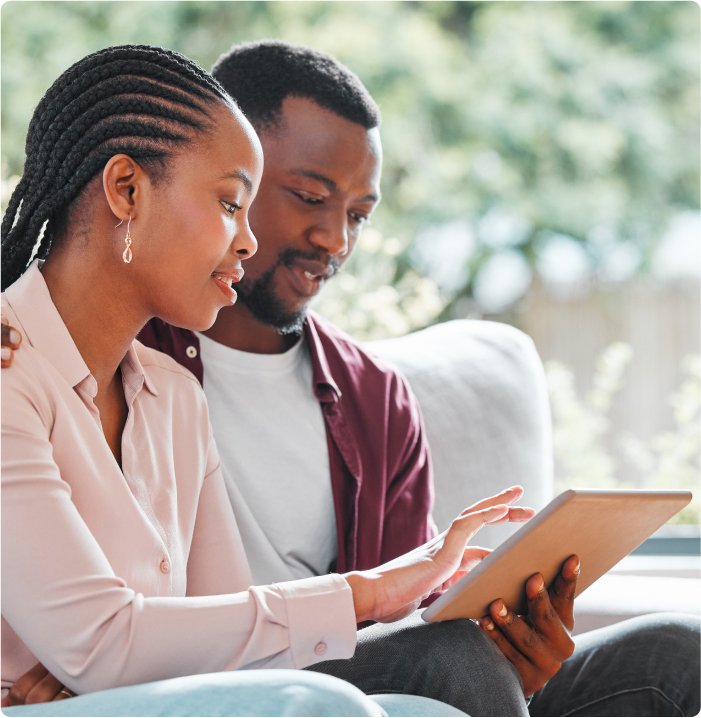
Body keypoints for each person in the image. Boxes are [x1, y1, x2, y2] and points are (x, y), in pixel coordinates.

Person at [2, 42, 701, 718]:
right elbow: (101, 640)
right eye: (232, 203)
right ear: (127, 187)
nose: (335, 240)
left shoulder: (175, 396)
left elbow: (220, 650)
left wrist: (476, 624)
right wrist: (368, 594)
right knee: (438, 669)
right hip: (258, 687)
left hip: (270, 679)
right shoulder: (24, 363)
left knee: (669, 651)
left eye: (360, 216)